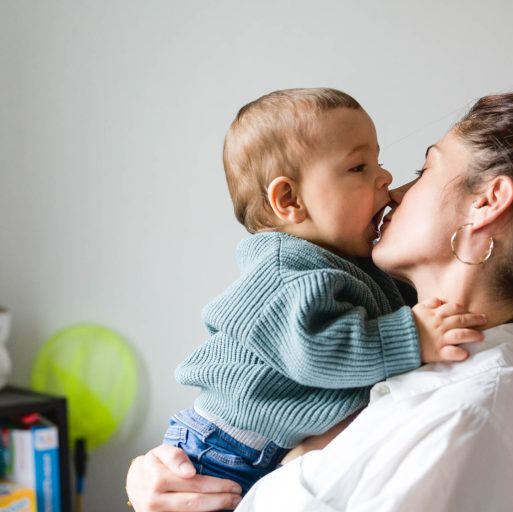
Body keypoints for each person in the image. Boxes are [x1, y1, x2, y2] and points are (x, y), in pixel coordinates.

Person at [126, 91, 513, 512]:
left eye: (425, 169)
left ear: (487, 204)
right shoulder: (378, 325)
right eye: (362, 168)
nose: (392, 186)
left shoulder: (463, 415)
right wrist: (155, 483)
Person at [160, 88, 488, 496]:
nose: (385, 177)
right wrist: (413, 336)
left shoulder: (349, 262)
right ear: (290, 199)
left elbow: (388, 308)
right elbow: (314, 350)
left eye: (379, 162)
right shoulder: (285, 269)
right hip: (220, 450)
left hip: (264, 448)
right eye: (359, 167)